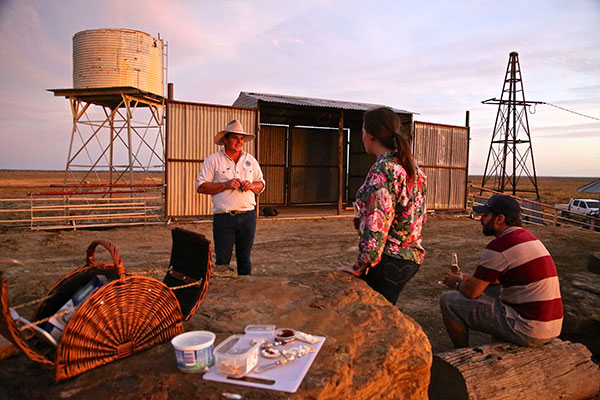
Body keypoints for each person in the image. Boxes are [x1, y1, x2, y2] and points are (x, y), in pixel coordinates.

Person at [439, 194, 563, 348]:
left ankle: (460, 354)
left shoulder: (500, 246)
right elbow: (494, 281)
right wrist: (465, 278)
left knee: (448, 300)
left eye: (485, 215)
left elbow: (473, 292)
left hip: (529, 330)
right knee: (493, 289)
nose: (480, 219)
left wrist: (457, 283)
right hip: (551, 325)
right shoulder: (527, 238)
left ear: (499, 219)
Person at [340, 106, 427, 305]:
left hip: (386, 261)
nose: (361, 136)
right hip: (410, 258)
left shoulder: (382, 171)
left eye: (362, 131)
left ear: (370, 135)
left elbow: (377, 226)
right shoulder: (412, 167)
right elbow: (417, 215)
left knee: (368, 318)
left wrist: (360, 265)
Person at [195, 120, 265, 275]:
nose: (239, 142)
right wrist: (225, 185)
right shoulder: (213, 160)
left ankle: (245, 292)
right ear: (225, 140)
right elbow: (201, 186)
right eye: (235, 138)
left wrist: (251, 186)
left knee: (245, 259)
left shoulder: (250, 160)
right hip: (224, 218)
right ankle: (223, 294)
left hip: (248, 216)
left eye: (241, 139)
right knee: (222, 260)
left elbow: (261, 184)